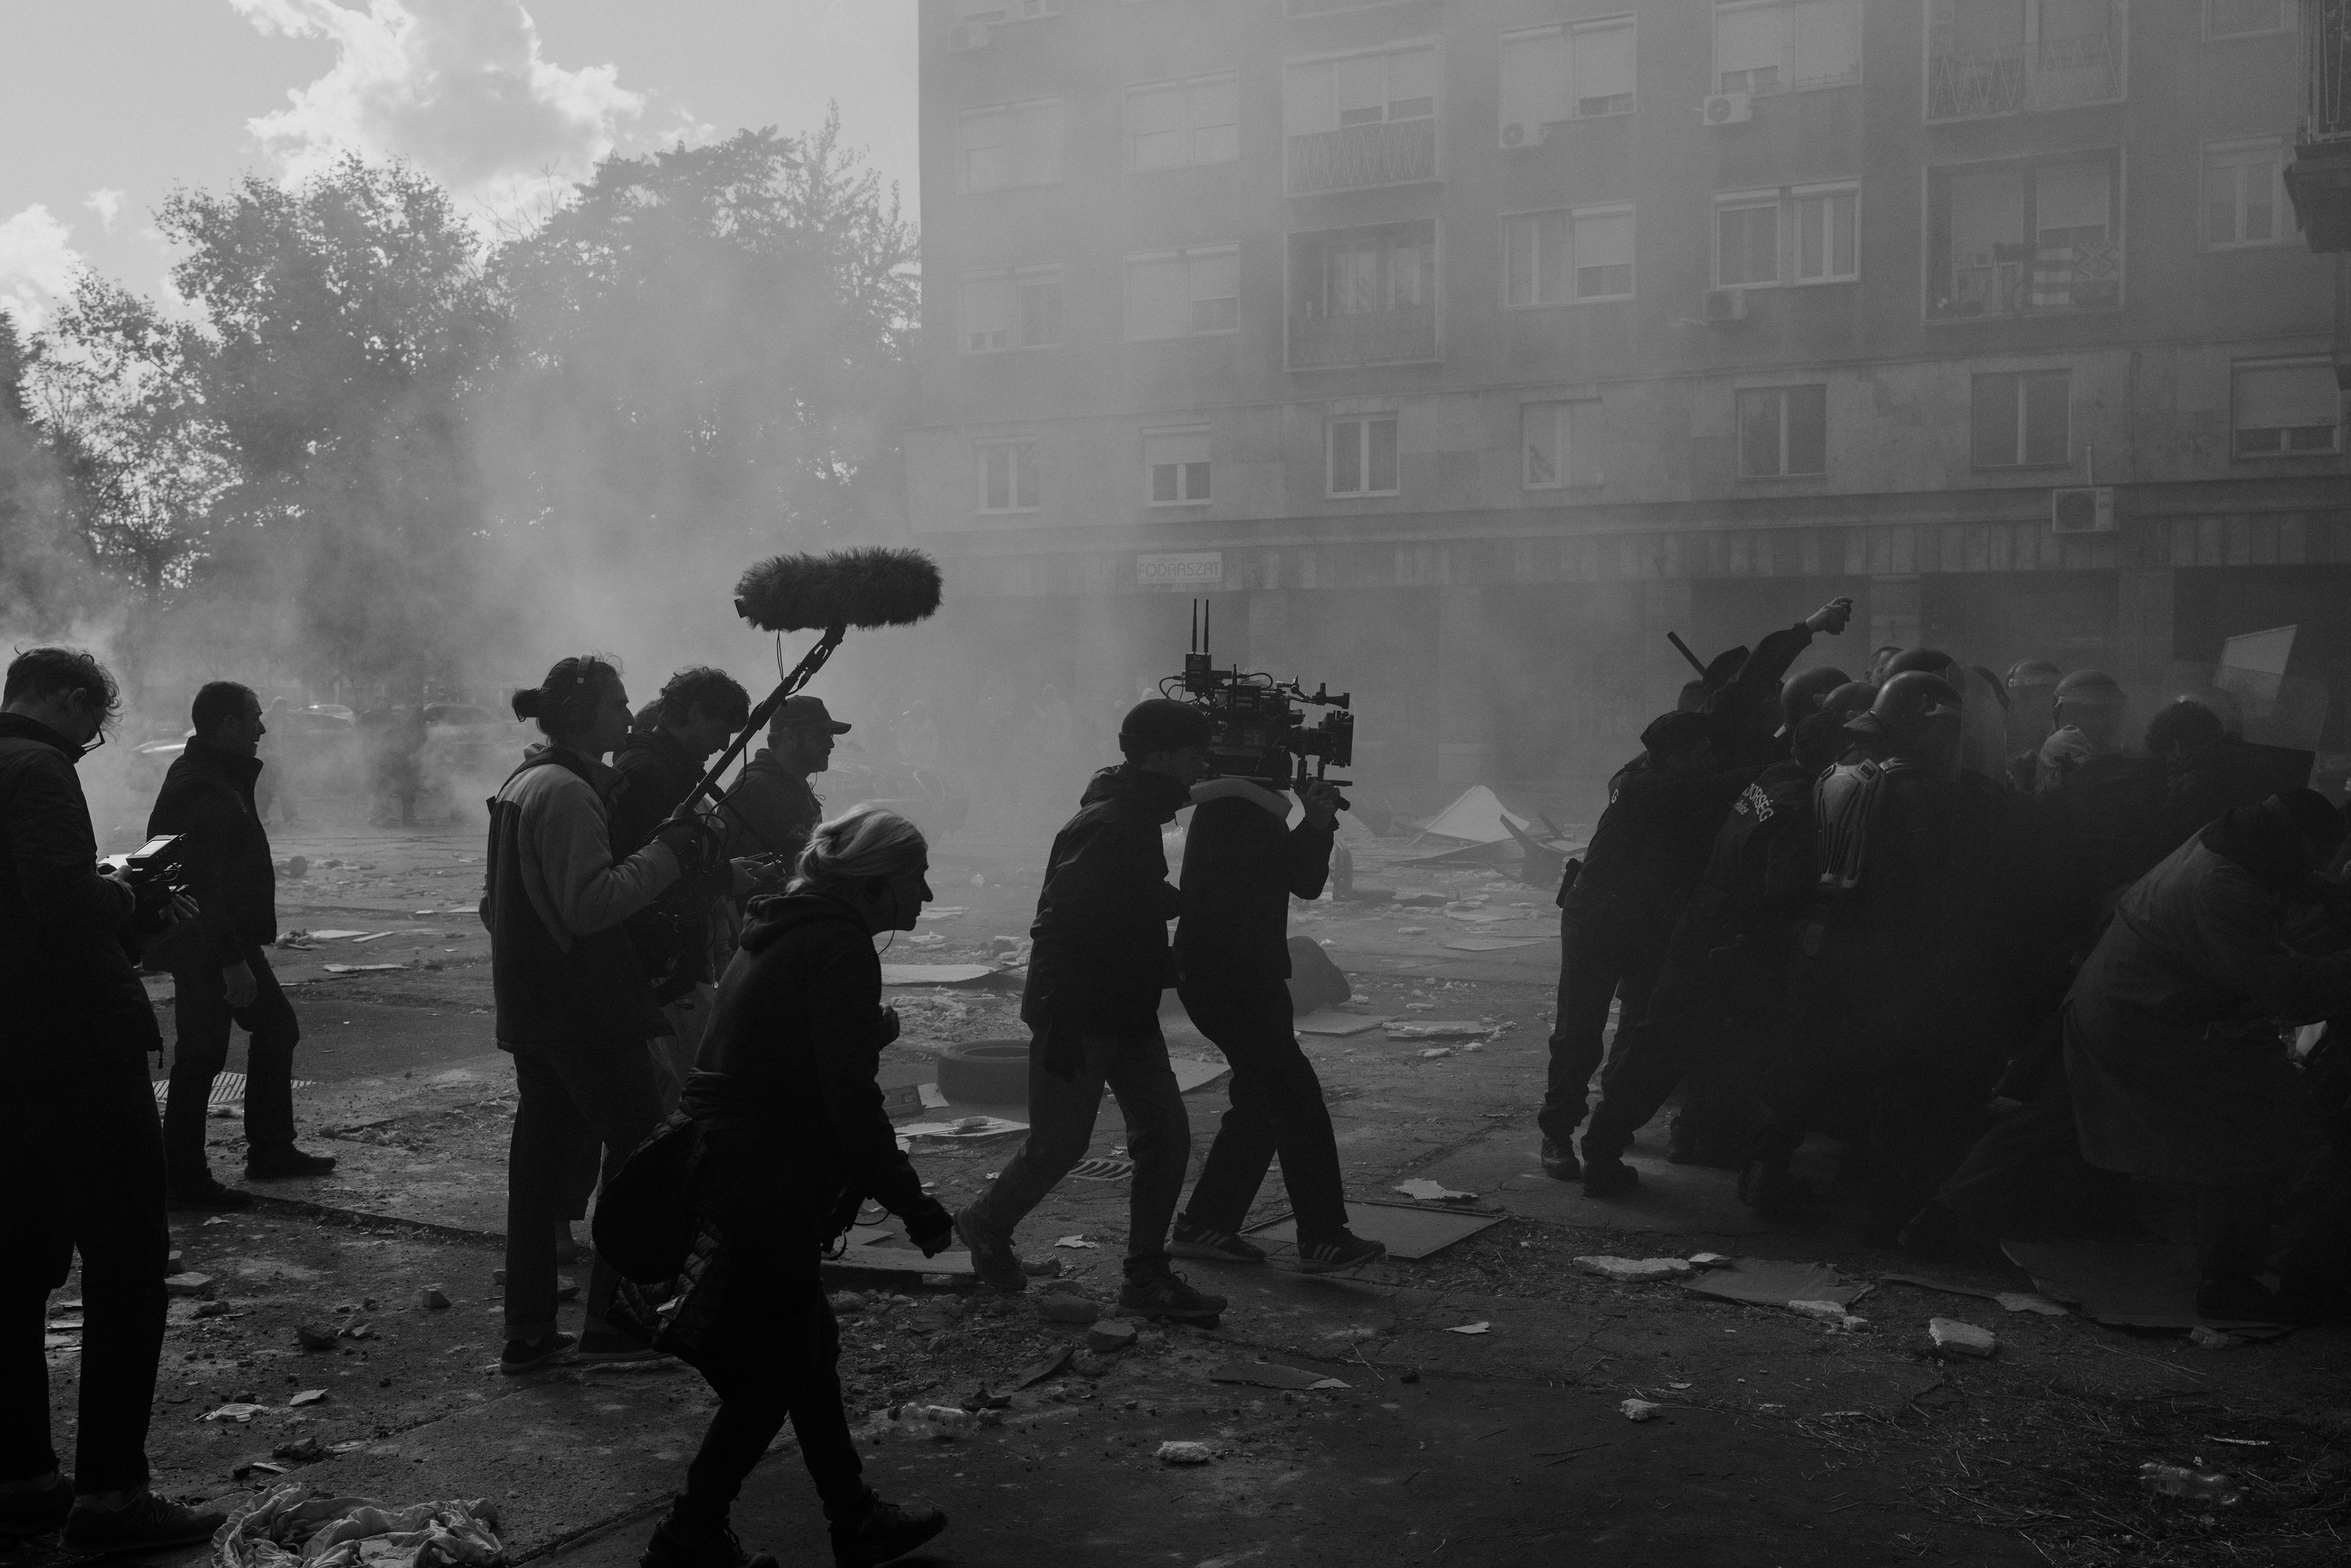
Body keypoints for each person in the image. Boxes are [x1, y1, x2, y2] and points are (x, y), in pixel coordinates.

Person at [643, 806, 950, 1568]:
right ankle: (688, 1534)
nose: (926, 894)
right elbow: (850, 1102)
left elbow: (781, 1045)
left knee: (807, 1348)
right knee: (779, 1366)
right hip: (763, 1175)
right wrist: (914, 1205)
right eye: (915, 877)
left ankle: (853, 1517)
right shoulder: (840, 943)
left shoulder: (784, 924)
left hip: (729, 1162)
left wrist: (859, 1032)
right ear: (874, 882)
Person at [1911, 793, 2351, 1323]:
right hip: (2144, 1020)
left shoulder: (2226, 840)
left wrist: (2327, 891)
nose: (2318, 866)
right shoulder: (2223, 886)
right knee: (2248, 1124)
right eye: (2317, 854)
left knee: (2056, 1119)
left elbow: (2287, 879)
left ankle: (1940, 1216)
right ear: (2293, 841)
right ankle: (2228, 1280)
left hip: (2114, 999)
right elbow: (2280, 986)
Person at [0, 648, 225, 1553]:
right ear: (68, 699)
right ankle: (112, 1497)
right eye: (93, 726)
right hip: (79, 1052)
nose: (89, 744)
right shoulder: (39, 767)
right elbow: (60, 902)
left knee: (17, 1265)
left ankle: (22, 1477)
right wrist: (126, 891)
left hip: (10, 1054)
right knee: (128, 1264)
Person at [1537, 596, 1853, 1179]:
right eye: (1698, 753)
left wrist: (1808, 627)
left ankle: (1607, 1134)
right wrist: (1782, 770)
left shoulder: (1703, 752)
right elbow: (1709, 786)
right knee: (1579, 1032)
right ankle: (1558, 1134)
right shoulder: (1646, 784)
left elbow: (1754, 675)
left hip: (1656, 916)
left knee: (1640, 1028)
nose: (1709, 754)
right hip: (1600, 914)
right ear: (1672, 755)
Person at [954, 699, 1226, 1323]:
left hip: (1125, 1006)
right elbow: (1061, 919)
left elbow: (1120, 895)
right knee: (1059, 1144)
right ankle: (986, 1223)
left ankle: (1145, 1276)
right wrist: (1060, 1014)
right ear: (1160, 755)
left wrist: (1168, 909)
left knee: (1165, 1137)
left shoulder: (1132, 813)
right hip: (1079, 1011)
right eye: (1194, 752)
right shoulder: (1113, 820)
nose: (1202, 764)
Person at [483, 655, 705, 1372]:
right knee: (641, 1158)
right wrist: (666, 855)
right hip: (585, 1010)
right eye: (617, 704)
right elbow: (590, 904)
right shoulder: (568, 792)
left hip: (536, 1007)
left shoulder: (524, 781)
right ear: (582, 716)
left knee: (536, 1171)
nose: (630, 715)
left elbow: (495, 904)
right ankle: (614, 1325)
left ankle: (529, 1331)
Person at [1169, 769, 1384, 1272]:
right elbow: (1281, 875)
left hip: (1246, 975)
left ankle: (1207, 1224)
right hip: (1230, 979)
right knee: (1295, 1097)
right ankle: (1323, 1235)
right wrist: (1311, 826)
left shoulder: (1248, 806)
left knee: (1260, 1101)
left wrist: (1316, 825)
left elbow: (1300, 881)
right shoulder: (1232, 806)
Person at [150, 681, 335, 1210]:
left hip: (216, 936)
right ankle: (186, 1176)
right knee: (204, 1054)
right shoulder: (202, 786)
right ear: (228, 723)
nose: (262, 727)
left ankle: (267, 1150)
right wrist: (233, 961)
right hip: (209, 940)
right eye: (254, 716)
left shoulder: (211, 775)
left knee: (268, 1030)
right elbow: (204, 884)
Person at [607, 667, 752, 1097]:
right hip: (661, 967)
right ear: (694, 713)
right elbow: (648, 874)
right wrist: (724, 877)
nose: (723, 745)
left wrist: (725, 872)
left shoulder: (664, 767)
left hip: (671, 965)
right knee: (699, 1095)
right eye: (721, 729)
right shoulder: (649, 772)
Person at [714, 694, 849, 872]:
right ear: (789, 737)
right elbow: (721, 866)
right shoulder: (753, 791)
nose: (831, 744)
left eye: (830, 735)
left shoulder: (795, 786)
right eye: (821, 734)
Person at [2035, 669, 2127, 793]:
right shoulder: (2064, 741)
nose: (2107, 720)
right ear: (2071, 715)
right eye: (2096, 712)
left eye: (2111, 711)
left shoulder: (2116, 749)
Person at [253, 696, 298, 827]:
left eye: (283, 707)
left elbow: (296, 741)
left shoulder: (290, 723)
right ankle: (262, 815)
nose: (281, 710)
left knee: (288, 789)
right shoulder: (266, 722)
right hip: (269, 761)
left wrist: (293, 757)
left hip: (286, 760)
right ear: (274, 708)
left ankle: (291, 816)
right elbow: (260, 741)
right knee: (266, 790)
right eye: (279, 707)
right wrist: (265, 753)